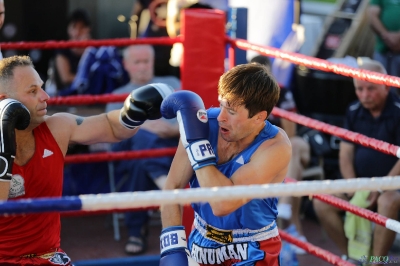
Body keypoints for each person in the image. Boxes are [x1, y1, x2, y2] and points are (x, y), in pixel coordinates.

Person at [0, 55, 174, 265]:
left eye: (42, 87)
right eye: (32, 91)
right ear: (4, 101)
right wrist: (4, 140)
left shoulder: (57, 128)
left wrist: (133, 111)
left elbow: (110, 127)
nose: (45, 96)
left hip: (48, 256)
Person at [159, 63, 292, 265]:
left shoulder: (275, 147)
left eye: (231, 111)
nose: (221, 116)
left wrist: (197, 146)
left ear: (259, 117)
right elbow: (173, 187)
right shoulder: (205, 124)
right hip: (202, 239)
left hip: (252, 247)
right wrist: (173, 248)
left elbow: (222, 204)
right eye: (221, 104)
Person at [313, 58, 400, 264]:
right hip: (361, 182)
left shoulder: (398, 111)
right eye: (359, 89)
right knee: (321, 201)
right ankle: (353, 257)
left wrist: (379, 187)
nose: (364, 95)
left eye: (371, 88)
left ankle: (376, 261)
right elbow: (345, 153)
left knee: (388, 201)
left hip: (393, 185)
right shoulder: (353, 110)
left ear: (386, 85)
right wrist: (353, 185)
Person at [105, 44, 180, 255]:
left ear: (153, 62)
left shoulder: (173, 84)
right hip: (132, 153)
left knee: (142, 160)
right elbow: (114, 134)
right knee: (141, 141)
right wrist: (144, 126)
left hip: (169, 150)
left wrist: (172, 131)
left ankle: (136, 232)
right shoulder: (116, 95)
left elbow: (190, 119)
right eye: (137, 62)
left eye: (146, 61)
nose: (142, 67)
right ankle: (164, 183)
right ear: (126, 65)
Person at [250, 55, 311, 255]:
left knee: (292, 146)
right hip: (268, 154)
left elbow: (290, 135)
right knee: (296, 172)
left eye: (264, 73)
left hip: (289, 146)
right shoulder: (245, 98)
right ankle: (293, 230)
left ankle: (285, 215)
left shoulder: (282, 93)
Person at [53, 9, 91, 93]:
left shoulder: (93, 49)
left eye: (82, 27)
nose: (77, 32)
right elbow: (65, 78)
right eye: (74, 27)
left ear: (88, 29)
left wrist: (87, 48)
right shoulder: (62, 49)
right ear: (68, 29)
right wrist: (89, 79)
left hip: (91, 92)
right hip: (69, 93)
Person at [368, 0, 400, 95]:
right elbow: (372, 16)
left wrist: (398, 36)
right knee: (378, 85)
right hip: (382, 48)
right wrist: (386, 35)